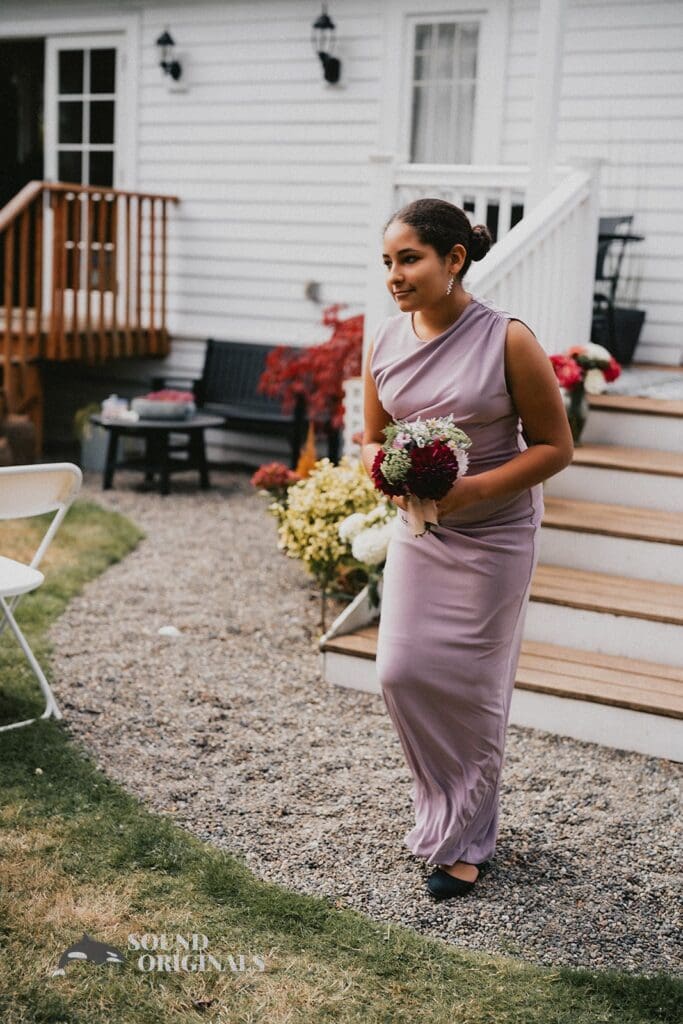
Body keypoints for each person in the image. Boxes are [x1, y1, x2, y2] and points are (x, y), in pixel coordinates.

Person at [361, 198, 573, 900]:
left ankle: (464, 840)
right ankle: (438, 804)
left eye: (409, 259)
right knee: (399, 671)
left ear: (453, 260)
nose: (395, 275)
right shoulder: (384, 341)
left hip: (494, 531)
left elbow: (554, 447)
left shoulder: (507, 338)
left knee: (475, 690)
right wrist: (390, 481)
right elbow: (370, 438)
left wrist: (474, 493)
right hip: (422, 531)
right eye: (388, 261)